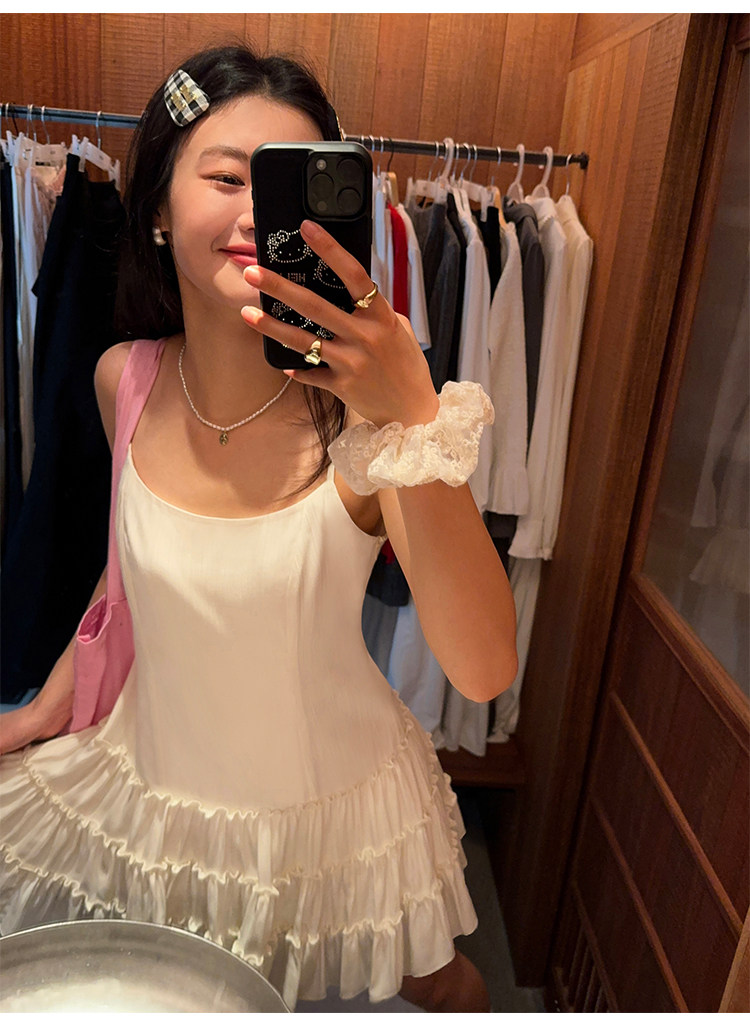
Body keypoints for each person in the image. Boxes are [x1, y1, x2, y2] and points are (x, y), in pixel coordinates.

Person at [0, 45, 517, 1013]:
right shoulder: (124, 380)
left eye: (284, 188)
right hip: (156, 788)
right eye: (227, 177)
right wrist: (40, 711)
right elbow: (125, 578)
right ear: (157, 206)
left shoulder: (367, 422)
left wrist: (411, 416)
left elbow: (485, 669)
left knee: (439, 987)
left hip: (332, 809)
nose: (254, 216)